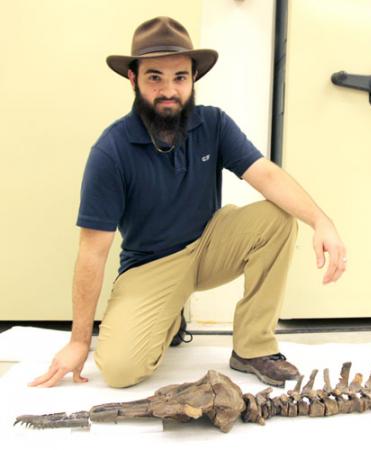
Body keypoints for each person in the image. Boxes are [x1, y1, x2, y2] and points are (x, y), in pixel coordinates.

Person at [29, 16, 347, 389]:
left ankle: (253, 347)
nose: (169, 90)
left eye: (179, 77)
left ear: (193, 79)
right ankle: (169, 318)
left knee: (277, 219)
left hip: (209, 245)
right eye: (154, 77)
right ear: (133, 79)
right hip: (151, 266)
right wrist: (79, 340)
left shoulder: (213, 124)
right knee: (119, 371)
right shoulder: (110, 151)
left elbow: (267, 175)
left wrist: (321, 222)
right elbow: (92, 253)